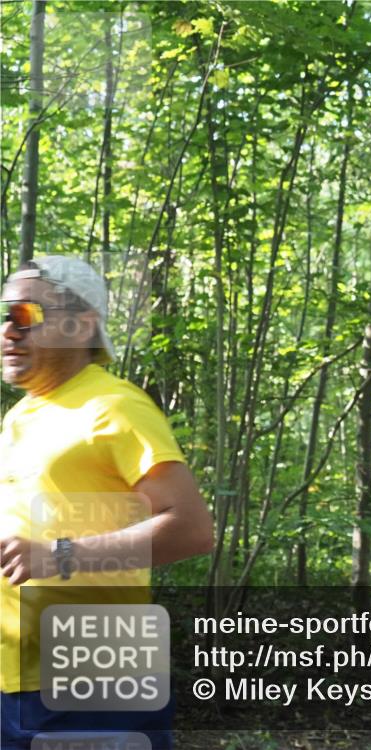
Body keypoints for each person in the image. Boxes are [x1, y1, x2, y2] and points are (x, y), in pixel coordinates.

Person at [0, 256, 214, 749]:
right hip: (15, 683)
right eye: (2, 316)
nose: (9, 330)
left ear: (81, 325)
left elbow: (191, 529)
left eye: (25, 315)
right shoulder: (20, 417)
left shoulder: (114, 405)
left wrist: (58, 556)